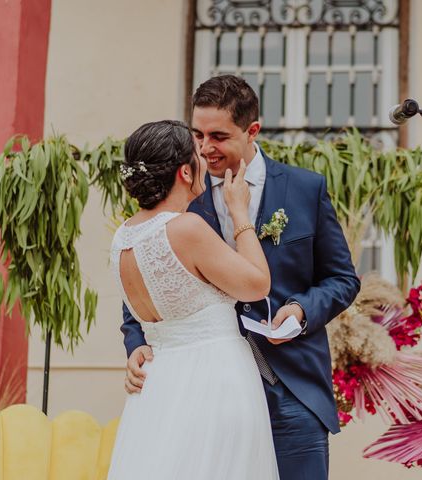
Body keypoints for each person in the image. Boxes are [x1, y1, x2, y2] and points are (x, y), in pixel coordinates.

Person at [122, 75, 361, 479]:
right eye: (196, 133)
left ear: (252, 131)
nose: (203, 147)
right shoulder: (179, 196)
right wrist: (135, 345)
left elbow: (342, 279)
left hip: (291, 386)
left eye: (218, 135)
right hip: (207, 393)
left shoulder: (305, 189)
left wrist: (302, 310)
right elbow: (147, 284)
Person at [108, 120, 279, 480]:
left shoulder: (122, 239)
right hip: (213, 382)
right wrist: (239, 213)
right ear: (185, 172)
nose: (205, 156)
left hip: (159, 386)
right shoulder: (185, 228)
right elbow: (257, 284)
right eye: (197, 154)